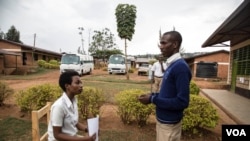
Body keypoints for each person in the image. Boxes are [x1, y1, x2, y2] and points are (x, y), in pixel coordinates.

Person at [138, 31, 192, 141]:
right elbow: (169, 93)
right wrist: (152, 95)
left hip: (169, 125)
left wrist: (153, 99)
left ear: (175, 45)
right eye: (160, 43)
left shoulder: (180, 67)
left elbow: (182, 102)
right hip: (164, 122)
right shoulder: (172, 65)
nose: (160, 47)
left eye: (164, 43)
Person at [48, 70, 97, 141]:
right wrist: (83, 140)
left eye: (81, 83)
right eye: (77, 83)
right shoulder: (59, 106)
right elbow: (57, 135)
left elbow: (74, 122)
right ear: (67, 86)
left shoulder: (73, 100)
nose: (81, 85)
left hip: (72, 136)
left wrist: (87, 128)